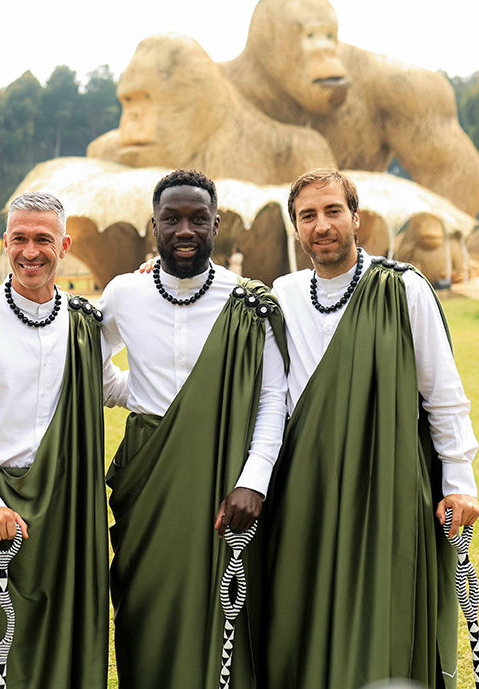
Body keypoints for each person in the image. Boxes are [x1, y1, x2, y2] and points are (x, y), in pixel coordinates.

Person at [255, 168, 479, 689]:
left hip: (387, 483)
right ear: (295, 228)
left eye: (333, 211)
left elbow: (443, 395)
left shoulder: (404, 289)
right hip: (304, 488)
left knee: (382, 609)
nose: (322, 225)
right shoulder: (283, 294)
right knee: (303, 612)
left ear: (356, 218)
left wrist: (460, 482)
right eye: (307, 215)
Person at [99, 169, 287, 689]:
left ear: (216, 223)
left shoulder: (247, 302)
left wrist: (254, 480)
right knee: (142, 601)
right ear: (153, 225)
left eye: (197, 218)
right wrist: (131, 393)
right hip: (148, 476)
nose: (185, 229)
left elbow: (274, 397)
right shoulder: (124, 294)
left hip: (223, 473)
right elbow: (88, 364)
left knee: (220, 607)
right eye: (171, 218)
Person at [0, 191, 128, 688]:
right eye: (19, 239)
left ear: (64, 245)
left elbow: (115, 388)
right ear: (6, 243)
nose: (31, 251)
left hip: (70, 514)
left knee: (62, 638)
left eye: (43, 239)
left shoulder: (85, 323)